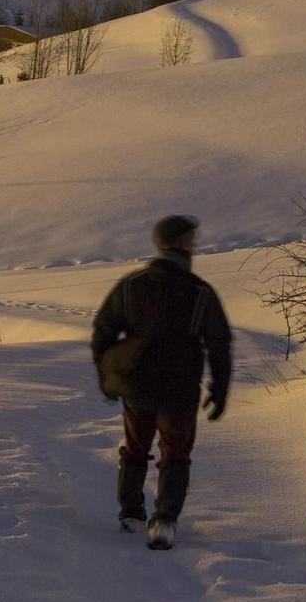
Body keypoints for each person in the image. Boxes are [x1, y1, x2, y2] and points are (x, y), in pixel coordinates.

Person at [91, 214, 233, 550]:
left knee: (136, 448)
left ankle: (130, 513)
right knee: (175, 453)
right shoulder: (200, 293)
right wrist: (220, 389)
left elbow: (103, 331)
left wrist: (107, 374)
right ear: (181, 244)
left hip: (136, 385)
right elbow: (219, 345)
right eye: (191, 239)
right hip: (179, 389)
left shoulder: (131, 286)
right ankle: (165, 521)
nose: (194, 245)